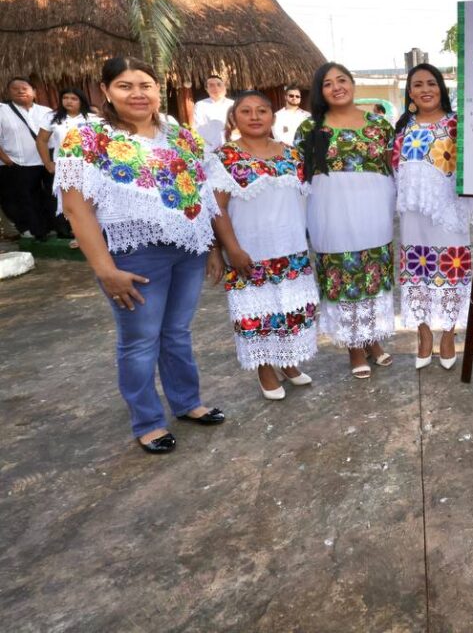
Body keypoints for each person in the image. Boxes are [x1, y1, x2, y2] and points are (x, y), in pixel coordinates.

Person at [55, 57, 224, 454]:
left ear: (157, 89)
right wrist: (105, 270)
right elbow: (77, 209)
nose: (137, 94)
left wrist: (212, 247)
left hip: (188, 250)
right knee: (140, 340)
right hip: (134, 255)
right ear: (106, 90)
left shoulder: (180, 136)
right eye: (125, 85)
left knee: (177, 332)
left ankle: (187, 402)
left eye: (145, 85)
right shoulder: (87, 138)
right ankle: (147, 422)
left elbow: (204, 193)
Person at [206, 91, 320, 400]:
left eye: (262, 110)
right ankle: (265, 369)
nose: (255, 116)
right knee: (258, 314)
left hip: (291, 248)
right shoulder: (223, 157)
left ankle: (288, 363)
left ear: (272, 116)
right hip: (249, 252)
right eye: (246, 111)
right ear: (234, 117)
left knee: (290, 311)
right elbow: (217, 209)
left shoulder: (292, 154)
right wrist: (231, 249)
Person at [295, 63, 396, 378]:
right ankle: (355, 347)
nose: (336, 87)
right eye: (328, 83)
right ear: (320, 91)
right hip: (332, 212)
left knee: (372, 273)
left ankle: (372, 340)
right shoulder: (310, 128)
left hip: (374, 212)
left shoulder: (380, 124)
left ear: (352, 84)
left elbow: (392, 166)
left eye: (342, 80)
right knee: (344, 275)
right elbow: (300, 176)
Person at [392, 64, 473, 369]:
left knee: (452, 272)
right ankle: (424, 335)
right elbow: (393, 170)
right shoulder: (402, 128)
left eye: (431, 83)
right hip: (414, 216)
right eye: (418, 85)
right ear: (410, 93)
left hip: (449, 212)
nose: (425, 89)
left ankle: (449, 336)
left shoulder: (457, 124)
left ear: (441, 88)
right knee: (418, 271)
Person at [36, 87, 101, 245]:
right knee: (72, 204)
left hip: (90, 166)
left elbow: (101, 142)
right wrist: (47, 162)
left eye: (74, 98)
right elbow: (41, 140)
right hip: (66, 167)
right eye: (65, 98)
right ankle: (80, 236)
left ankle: (96, 235)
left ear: (81, 101)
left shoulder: (92, 118)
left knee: (92, 201)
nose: (69, 101)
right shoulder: (52, 117)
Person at [0, 78, 55, 240]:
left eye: (24, 88)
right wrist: (6, 159)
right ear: (8, 92)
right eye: (15, 88)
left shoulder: (46, 111)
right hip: (16, 163)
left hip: (45, 162)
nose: (20, 91)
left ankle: (50, 227)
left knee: (48, 196)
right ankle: (30, 229)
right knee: (23, 198)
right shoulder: (2, 111)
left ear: (34, 92)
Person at [193, 74, 233, 152]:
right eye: (211, 85)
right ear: (206, 89)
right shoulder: (200, 105)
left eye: (219, 84)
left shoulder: (233, 104)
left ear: (225, 87)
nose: (216, 88)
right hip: (208, 147)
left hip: (232, 144)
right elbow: (198, 128)